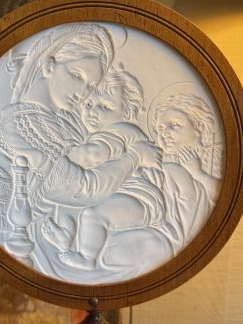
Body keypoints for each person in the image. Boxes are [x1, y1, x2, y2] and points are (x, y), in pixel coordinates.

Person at [41, 66, 169, 270]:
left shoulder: (122, 130)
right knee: (69, 197)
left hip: (139, 198)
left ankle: (87, 258)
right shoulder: (99, 133)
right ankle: (66, 234)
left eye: (105, 107)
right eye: (89, 104)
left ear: (127, 112)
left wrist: (60, 157)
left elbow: (92, 155)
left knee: (93, 215)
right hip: (112, 192)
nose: (93, 111)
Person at [152, 93, 224, 204]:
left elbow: (224, 197)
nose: (164, 133)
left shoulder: (217, 156)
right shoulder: (162, 163)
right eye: (160, 129)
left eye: (174, 124)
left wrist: (198, 174)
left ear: (199, 127)